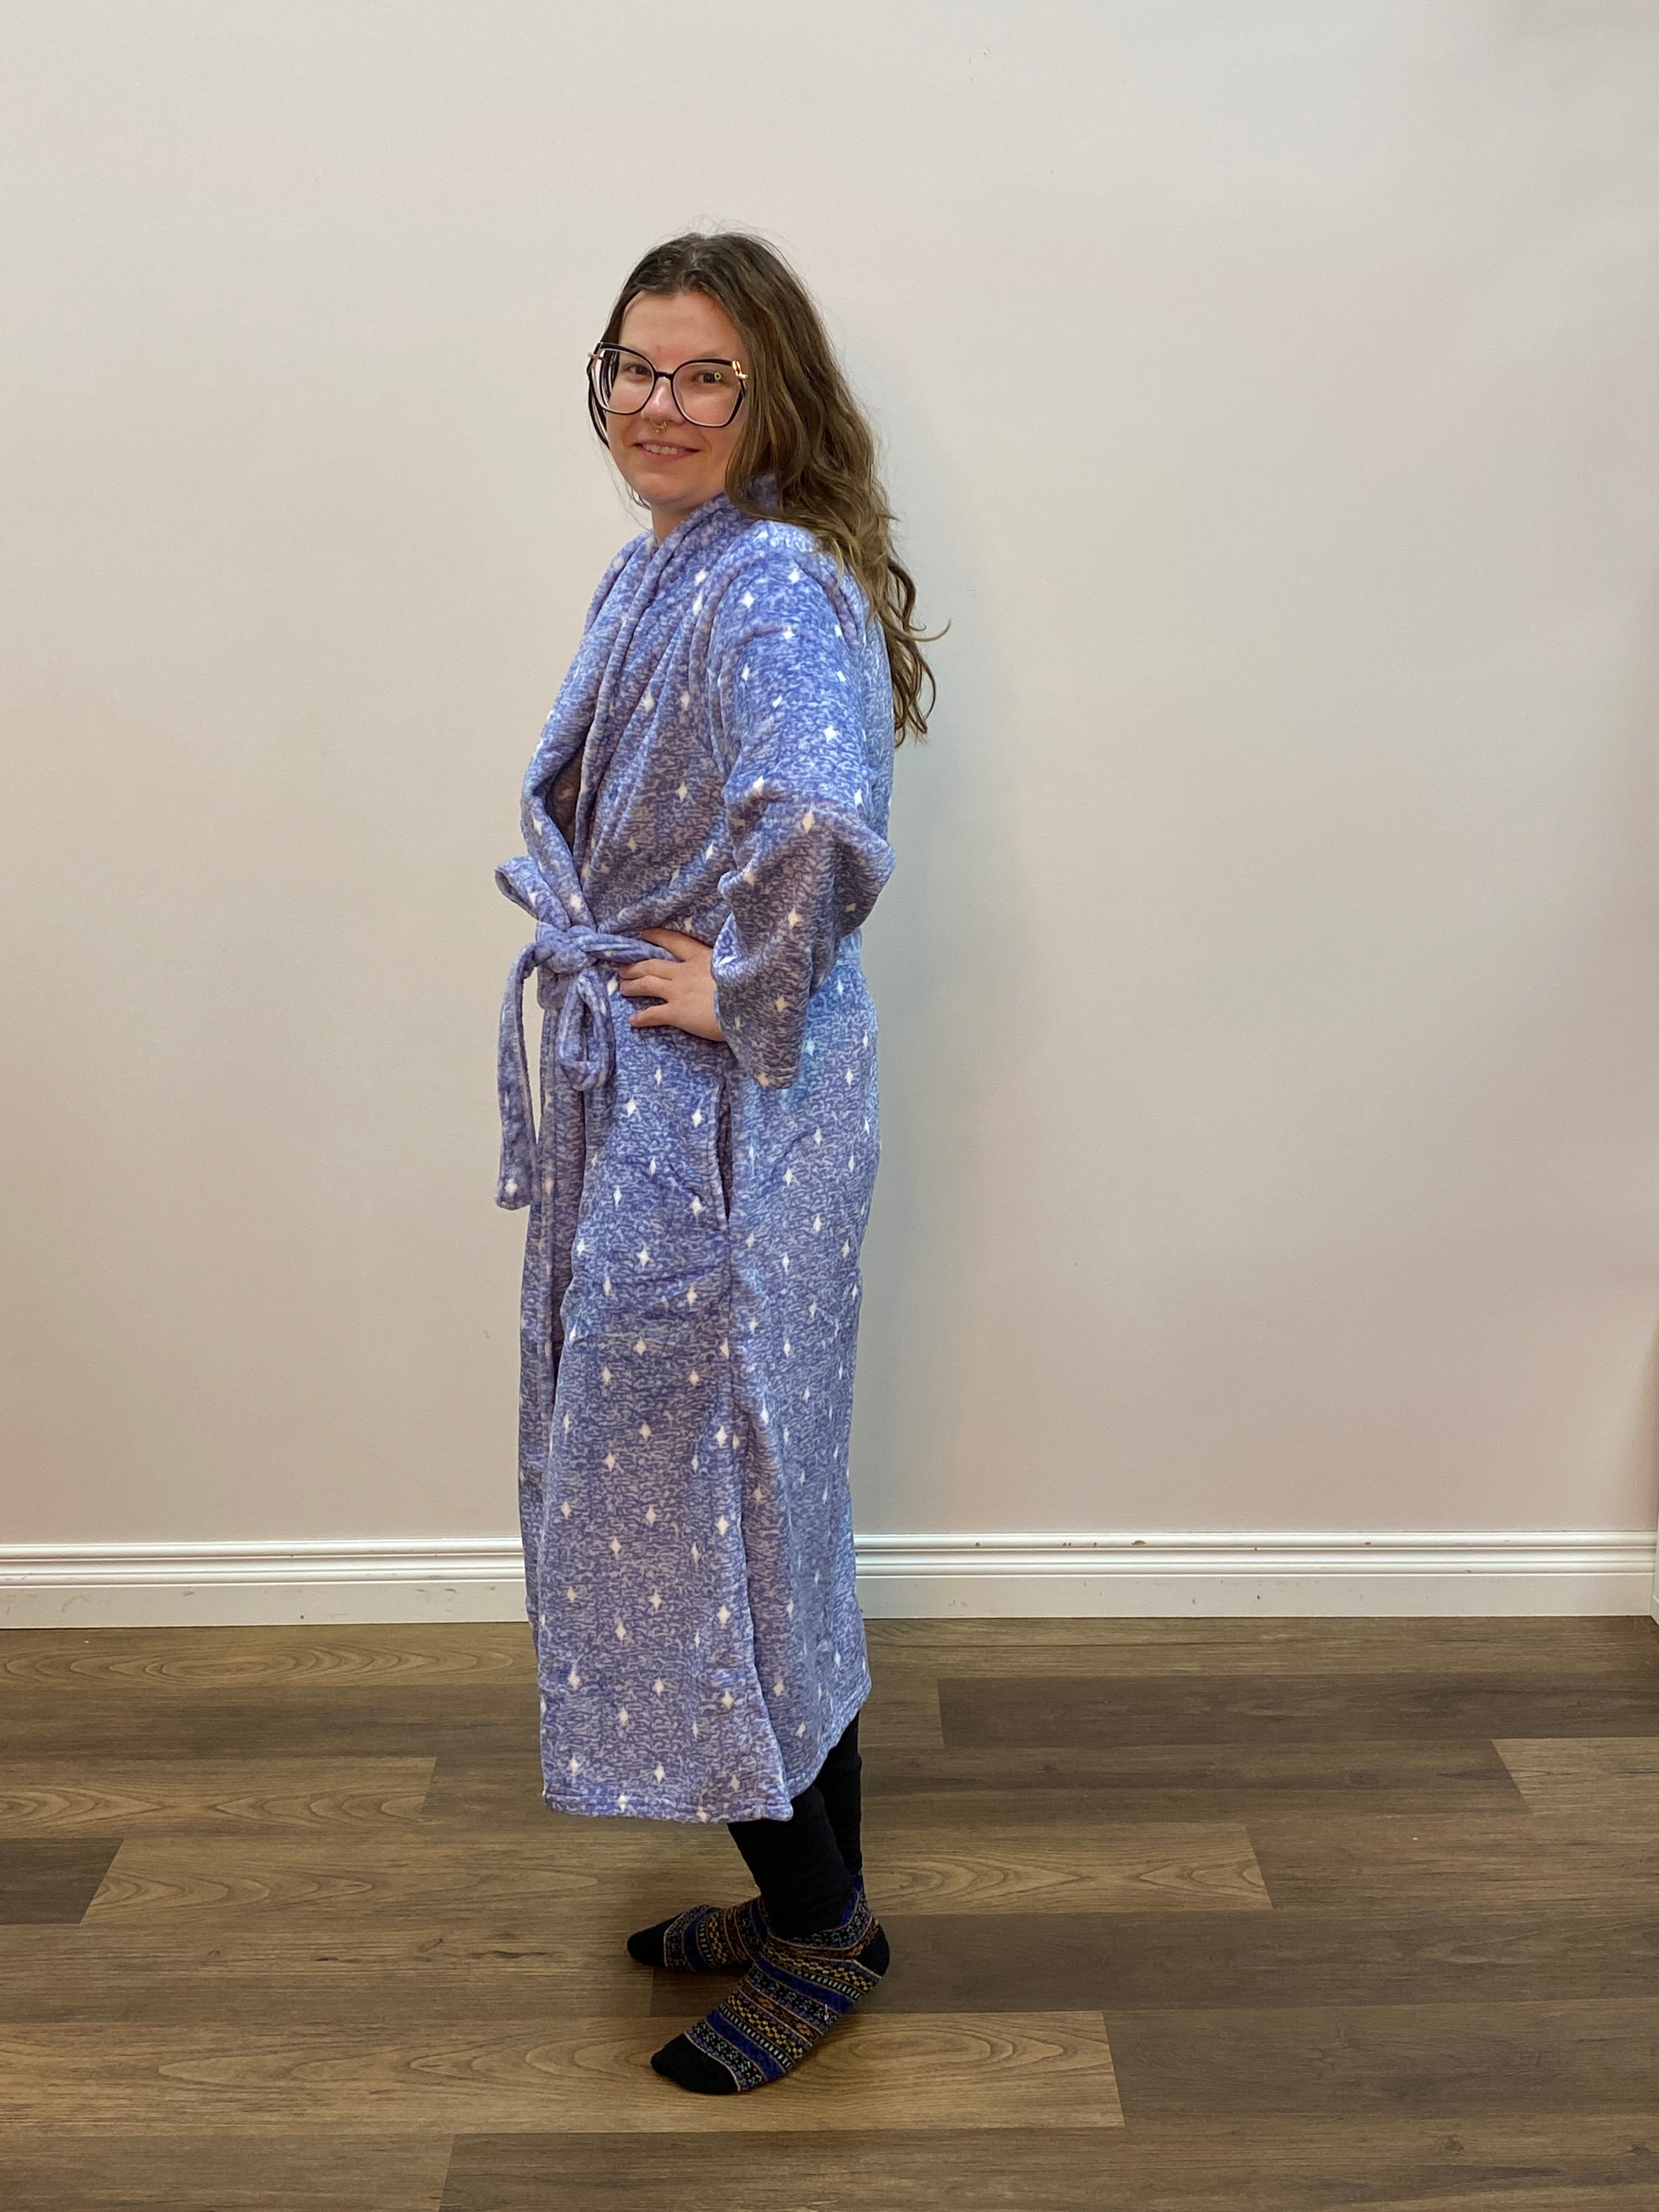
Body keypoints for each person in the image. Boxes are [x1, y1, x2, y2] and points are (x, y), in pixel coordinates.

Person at [493, 232, 936, 2094]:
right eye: (635, 368)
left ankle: (820, 1933)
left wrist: (736, 976)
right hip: (710, 1102)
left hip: (727, 1127)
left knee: (693, 1505)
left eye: (705, 378)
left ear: (775, 401)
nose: (658, 408)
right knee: (758, 1499)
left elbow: (821, 816)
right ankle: (812, 1889)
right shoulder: (672, 560)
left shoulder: (763, 584)